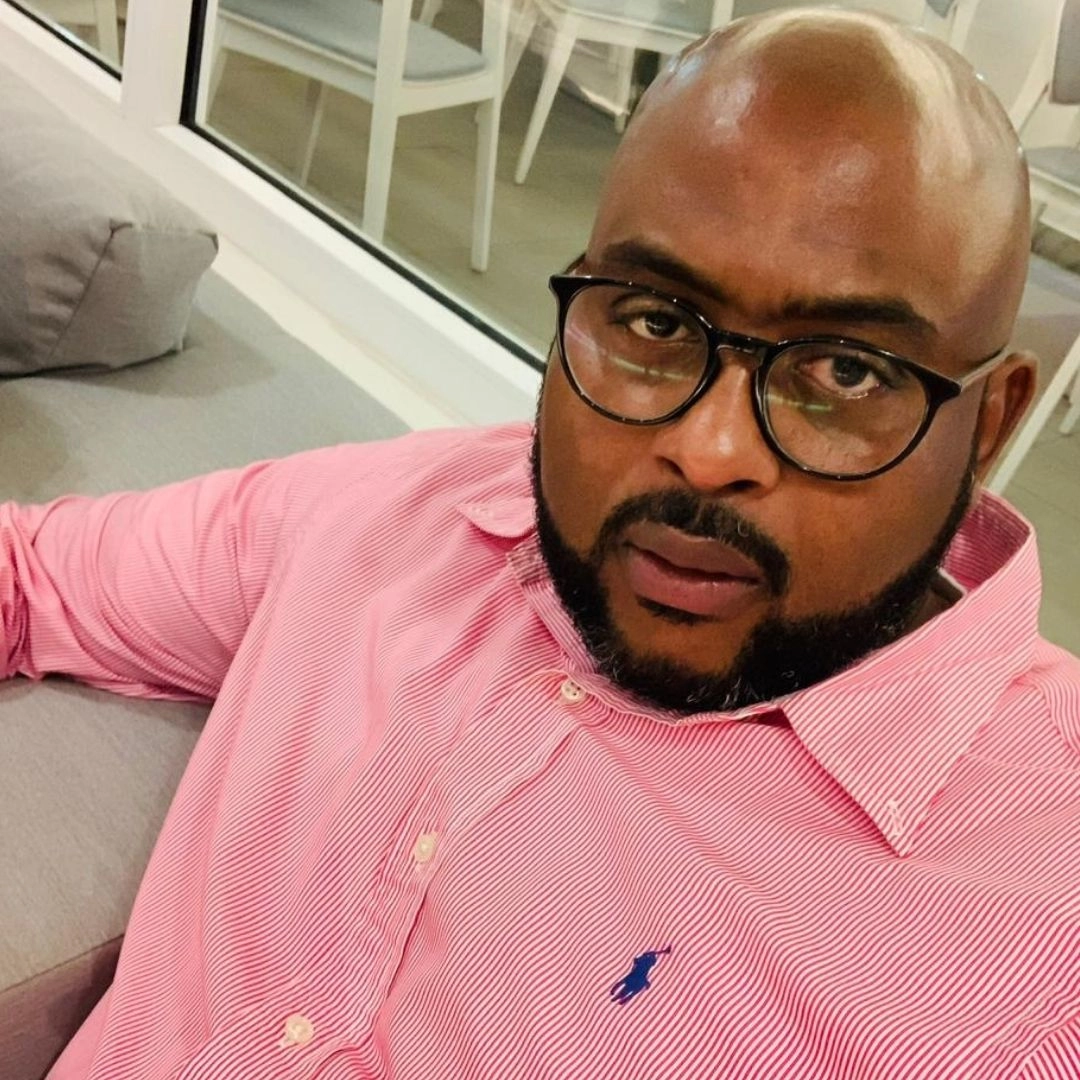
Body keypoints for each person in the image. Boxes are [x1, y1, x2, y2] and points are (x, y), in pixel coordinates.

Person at [7, 8, 1078, 1078]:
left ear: (989, 426)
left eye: (846, 371)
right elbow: (34, 576)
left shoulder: (1046, 933)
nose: (707, 453)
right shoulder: (416, 511)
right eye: (655, 321)